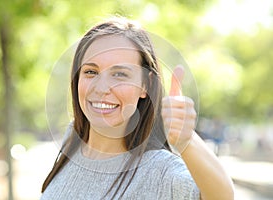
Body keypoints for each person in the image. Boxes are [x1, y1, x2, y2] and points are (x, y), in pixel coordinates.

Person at [41, 17, 234, 200]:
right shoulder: (72, 139)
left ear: (145, 85)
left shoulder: (161, 171)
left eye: (119, 74)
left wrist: (187, 140)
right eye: (91, 72)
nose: (100, 88)